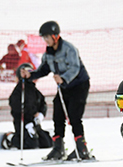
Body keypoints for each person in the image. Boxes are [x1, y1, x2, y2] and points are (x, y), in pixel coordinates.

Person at [20, 21, 91, 160]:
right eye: (43, 38)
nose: (45, 40)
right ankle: (58, 148)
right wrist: (30, 75)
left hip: (79, 85)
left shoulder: (69, 49)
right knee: (58, 115)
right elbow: (44, 69)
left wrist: (63, 78)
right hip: (64, 87)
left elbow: (75, 68)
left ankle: (82, 149)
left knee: (74, 116)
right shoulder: (48, 53)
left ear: (55, 36)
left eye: (47, 37)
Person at [6, 62, 52, 149]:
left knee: (47, 143)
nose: (26, 74)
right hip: (23, 122)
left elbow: (42, 103)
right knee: (30, 144)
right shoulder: (19, 91)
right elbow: (16, 107)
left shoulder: (34, 89)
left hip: (34, 122)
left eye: (29, 71)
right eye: (23, 72)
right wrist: (27, 117)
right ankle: (10, 139)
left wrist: (40, 114)